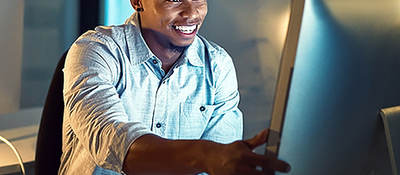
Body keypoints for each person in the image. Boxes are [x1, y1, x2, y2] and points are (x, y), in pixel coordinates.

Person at [59, 0, 290, 174]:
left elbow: (220, 162)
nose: (192, 12)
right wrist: (204, 155)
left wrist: (217, 160)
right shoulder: (96, 51)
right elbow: (113, 141)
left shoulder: (218, 65)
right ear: (137, 1)